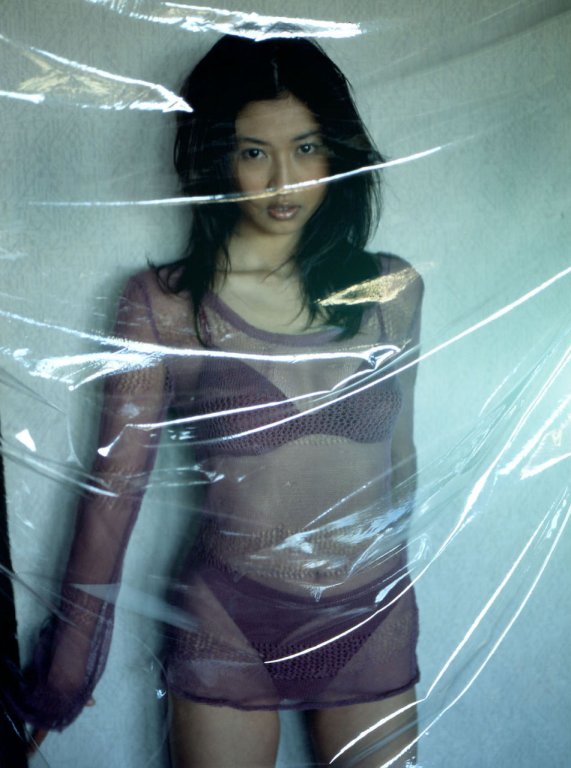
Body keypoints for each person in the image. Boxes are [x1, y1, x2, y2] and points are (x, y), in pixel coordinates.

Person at [13, 35, 424, 767]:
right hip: (229, 621)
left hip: (370, 616)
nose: (283, 181)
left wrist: (378, 581)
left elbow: (401, 458)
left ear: (336, 151)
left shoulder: (392, 292)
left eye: (305, 148)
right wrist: (64, 674)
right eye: (254, 152)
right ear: (216, 158)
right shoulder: (165, 307)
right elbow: (113, 493)